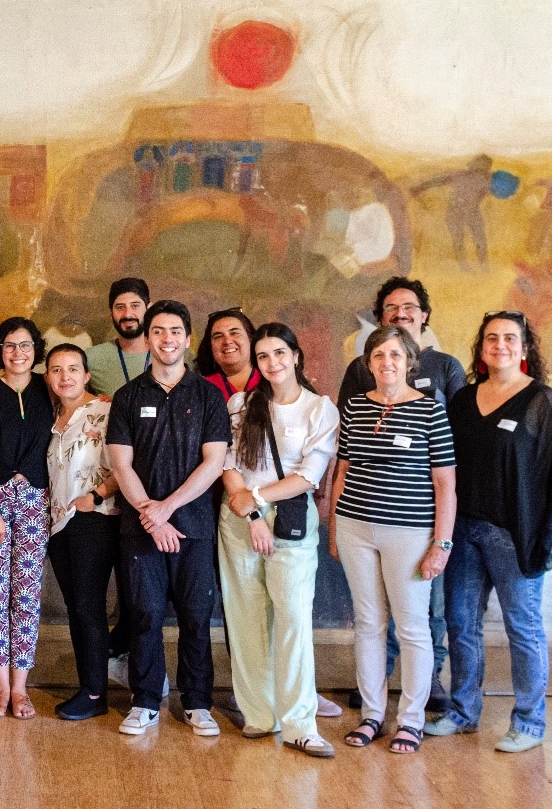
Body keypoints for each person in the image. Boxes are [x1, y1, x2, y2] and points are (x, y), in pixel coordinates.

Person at [426, 311, 552, 753]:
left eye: (510, 338)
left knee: (523, 627)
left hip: (517, 535)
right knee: (461, 625)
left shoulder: (541, 401)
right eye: (491, 338)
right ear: (481, 348)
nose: (500, 345)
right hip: (464, 534)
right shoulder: (462, 400)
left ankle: (530, 722)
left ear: (525, 348)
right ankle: (462, 712)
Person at [338, 276, 464, 711]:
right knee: (370, 623)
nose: (386, 362)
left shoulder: (442, 376)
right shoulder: (357, 387)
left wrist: (441, 537)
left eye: (409, 306)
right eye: (391, 307)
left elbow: (447, 470)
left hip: (415, 524)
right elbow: (345, 459)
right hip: (358, 523)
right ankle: (374, 710)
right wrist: (335, 522)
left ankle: (419, 704)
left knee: (420, 620)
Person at [107, 300, 230, 738]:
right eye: (158, 331)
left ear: (187, 337)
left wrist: (168, 508)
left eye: (175, 331)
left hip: (194, 524)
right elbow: (121, 466)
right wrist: (151, 516)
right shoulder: (127, 397)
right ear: (148, 338)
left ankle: (197, 703)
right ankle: (144, 701)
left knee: (197, 615)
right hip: (140, 528)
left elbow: (214, 462)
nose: (167, 339)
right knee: (143, 613)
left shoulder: (208, 395)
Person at [217, 323, 339, 758]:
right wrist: (250, 511)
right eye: (263, 355)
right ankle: (259, 715)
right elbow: (226, 464)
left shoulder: (319, 409)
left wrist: (259, 500)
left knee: (291, 618)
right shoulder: (240, 404)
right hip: (239, 519)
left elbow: (309, 474)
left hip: (289, 520)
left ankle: (299, 724)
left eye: (279, 354)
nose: (272, 363)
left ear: (296, 356)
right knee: (246, 618)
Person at [0, 317, 55, 719]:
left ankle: (21, 689)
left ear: (36, 349)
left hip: (36, 497)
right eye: (9, 346)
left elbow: (78, 401)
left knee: (27, 596)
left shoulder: (47, 386)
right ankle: (1, 688)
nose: (18, 353)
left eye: (25, 345)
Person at [44, 344, 120, 721]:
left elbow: (127, 464)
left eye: (73, 369)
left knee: (88, 606)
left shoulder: (105, 411)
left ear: (86, 375)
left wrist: (97, 495)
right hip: (58, 524)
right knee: (77, 608)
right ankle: (89, 685)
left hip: (94, 518)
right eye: (56, 370)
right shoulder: (53, 415)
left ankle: (95, 693)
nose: (65, 376)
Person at [84, 276, 151, 690]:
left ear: (147, 308)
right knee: (113, 576)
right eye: (120, 307)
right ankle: (111, 657)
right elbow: (62, 386)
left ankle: (133, 660)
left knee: (141, 584)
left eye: (135, 306)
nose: (128, 314)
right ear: (112, 312)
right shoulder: (94, 356)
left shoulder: (172, 352)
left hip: (159, 481)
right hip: (108, 479)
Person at [197, 307, 260, 400]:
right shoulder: (200, 389)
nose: (227, 341)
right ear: (210, 346)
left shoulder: (271, 380)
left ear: (251, 339)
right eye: (218, 336)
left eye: (234, 333)